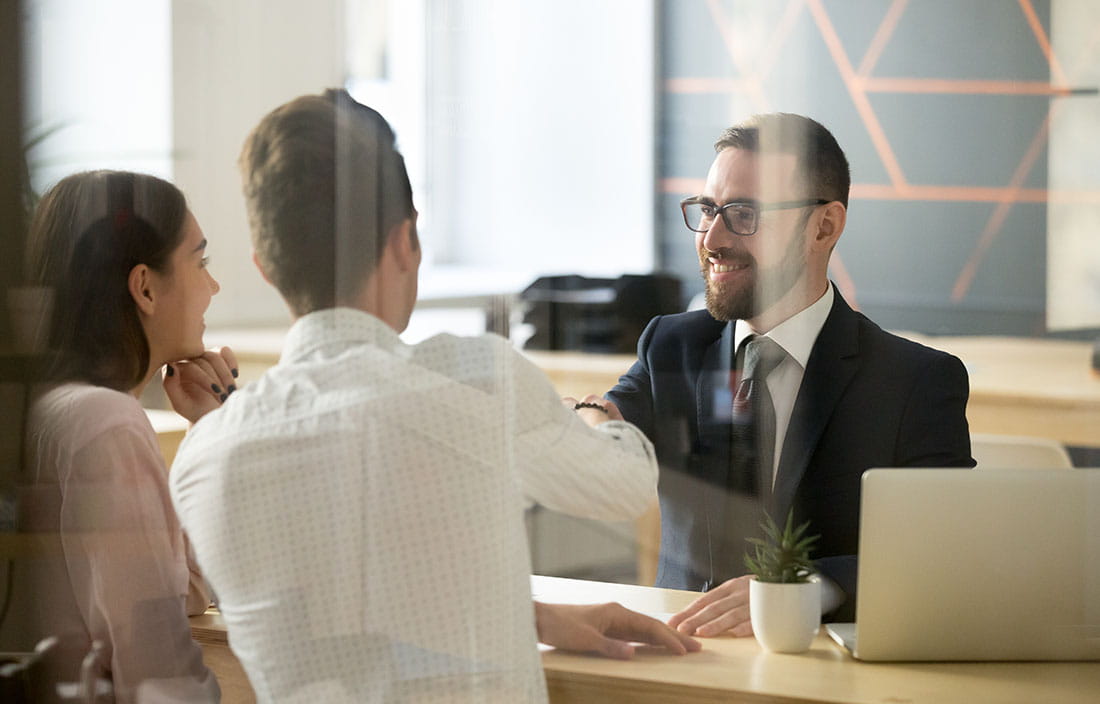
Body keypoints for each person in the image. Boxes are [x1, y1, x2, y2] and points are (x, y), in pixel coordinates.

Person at [169, 89, 698, 703]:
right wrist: (597, 416)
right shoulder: (473, 378)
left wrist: (531, 616)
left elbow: (350, 617)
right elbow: (626, 485)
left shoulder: (203, 457)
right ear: (405, 240)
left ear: (266, 266)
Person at [605, 113, 974, 636]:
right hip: (681, 661)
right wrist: (591, 419)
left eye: (744, 214)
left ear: (824, 226)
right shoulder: (671, 345)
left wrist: (806, 587)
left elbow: (945, 550)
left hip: (827, 671)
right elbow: (613, 417)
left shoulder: (915, 381)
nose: (712, 238)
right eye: (708, 210)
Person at [6, 170, 234, 702]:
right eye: (200, 262)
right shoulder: (106, 422)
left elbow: (184, 592)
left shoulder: (50, 406)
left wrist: (208, 428)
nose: (213, 286)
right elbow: (159, 672)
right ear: (145, 287)